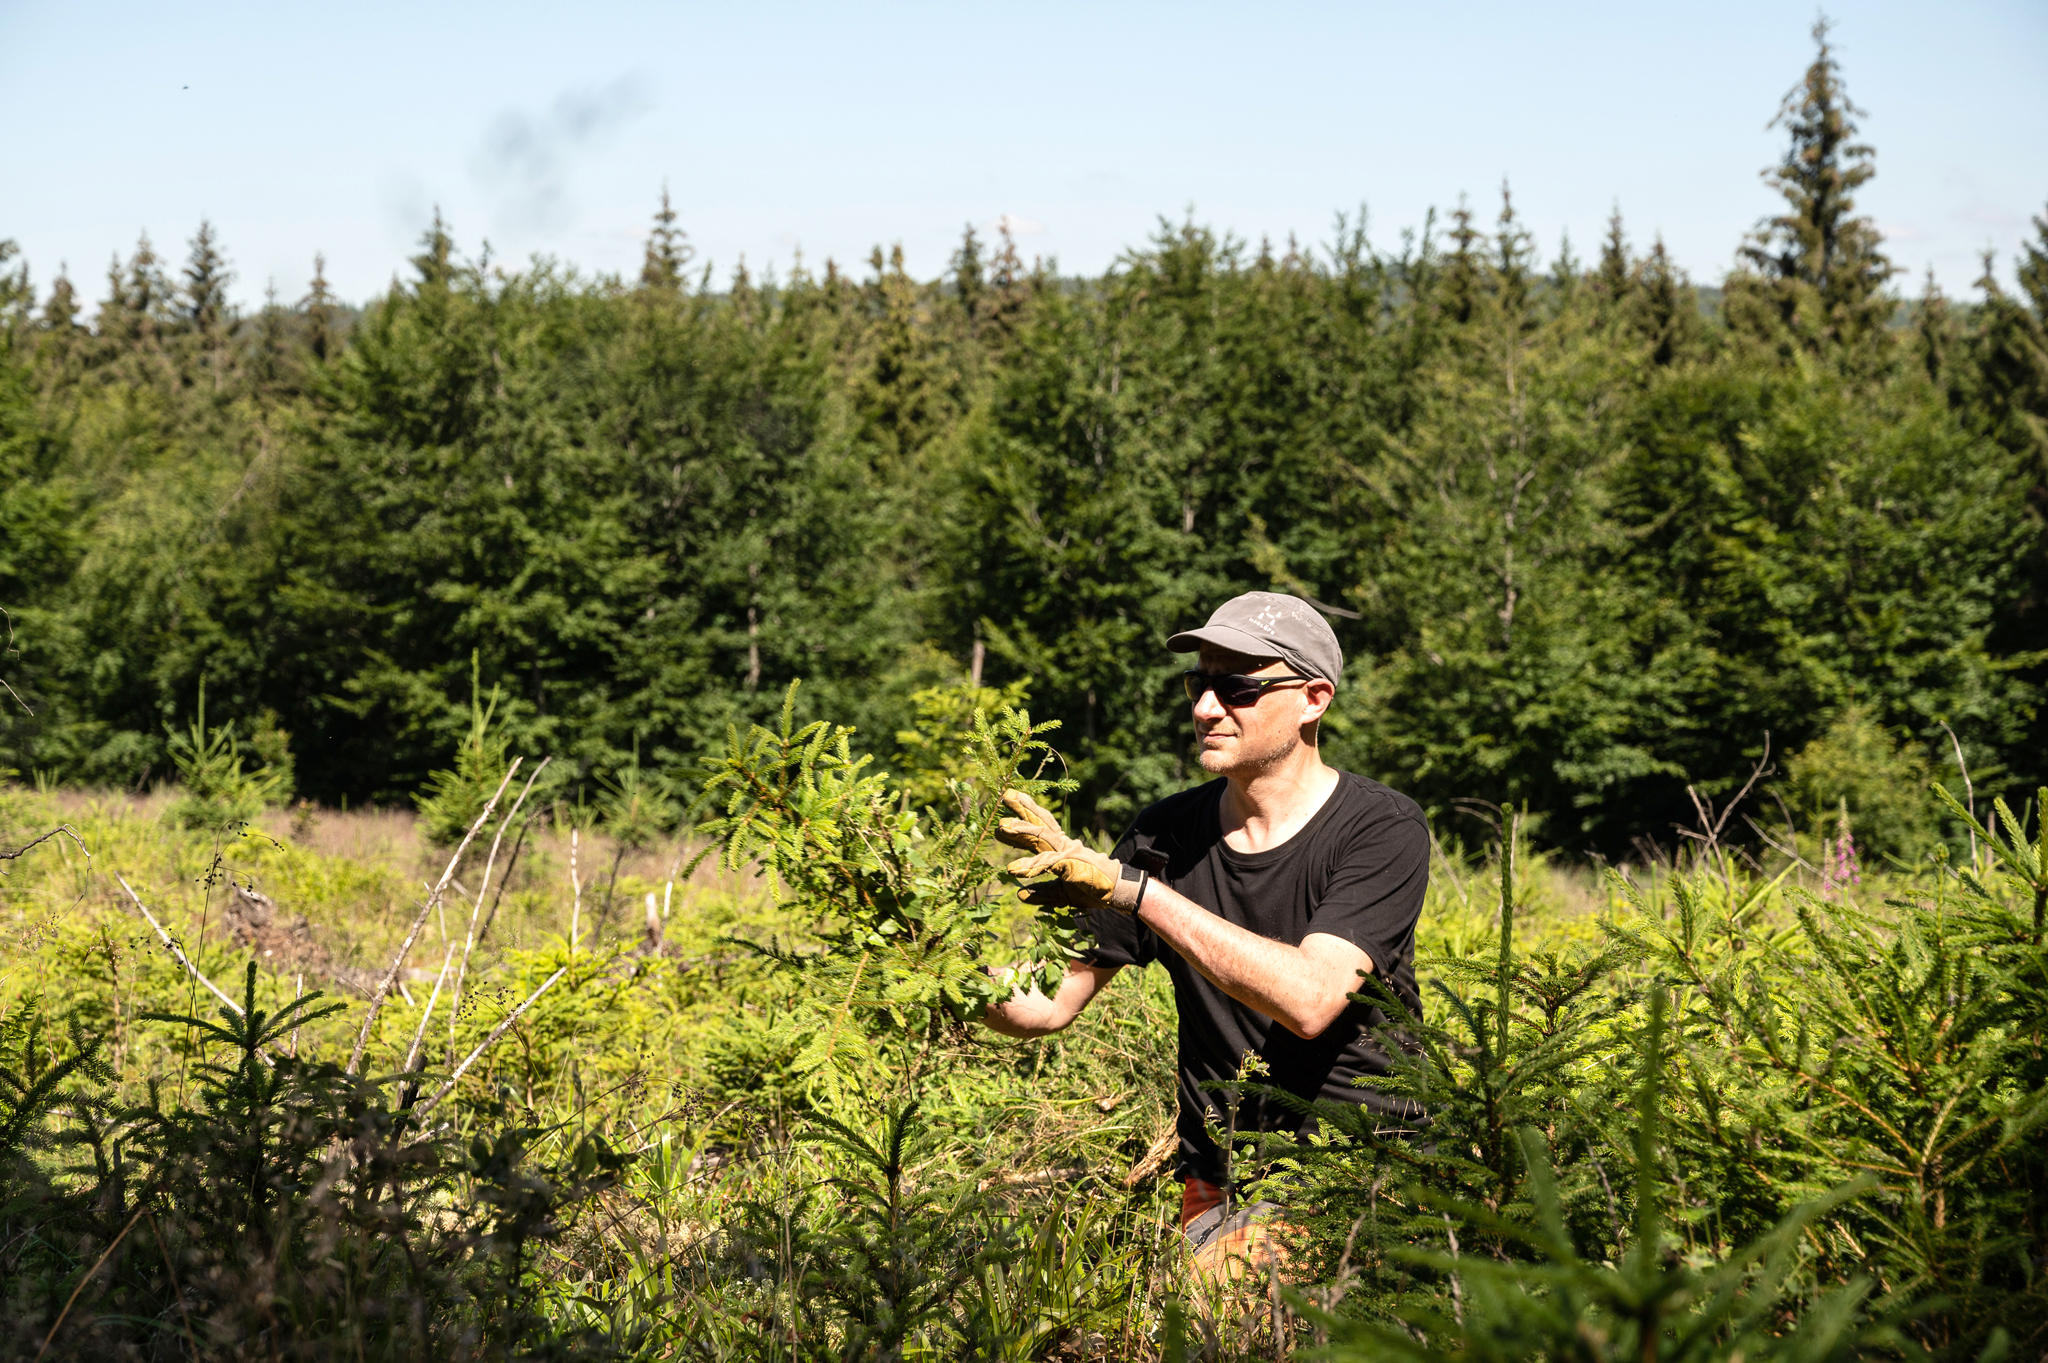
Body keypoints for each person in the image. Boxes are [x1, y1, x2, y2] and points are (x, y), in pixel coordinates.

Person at [982, 591, 1428, 1272]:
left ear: (1313, 699)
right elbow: (1046, 1003)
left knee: (1210, 1298)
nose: (1205, 708)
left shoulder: (1380, 829)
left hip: (1353, 1167)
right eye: (1200, 682)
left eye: (1238, 686)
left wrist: (1138, 893)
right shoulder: (1166, 831)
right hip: (1216, 1175)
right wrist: (929, 956)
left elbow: (1312, 998)